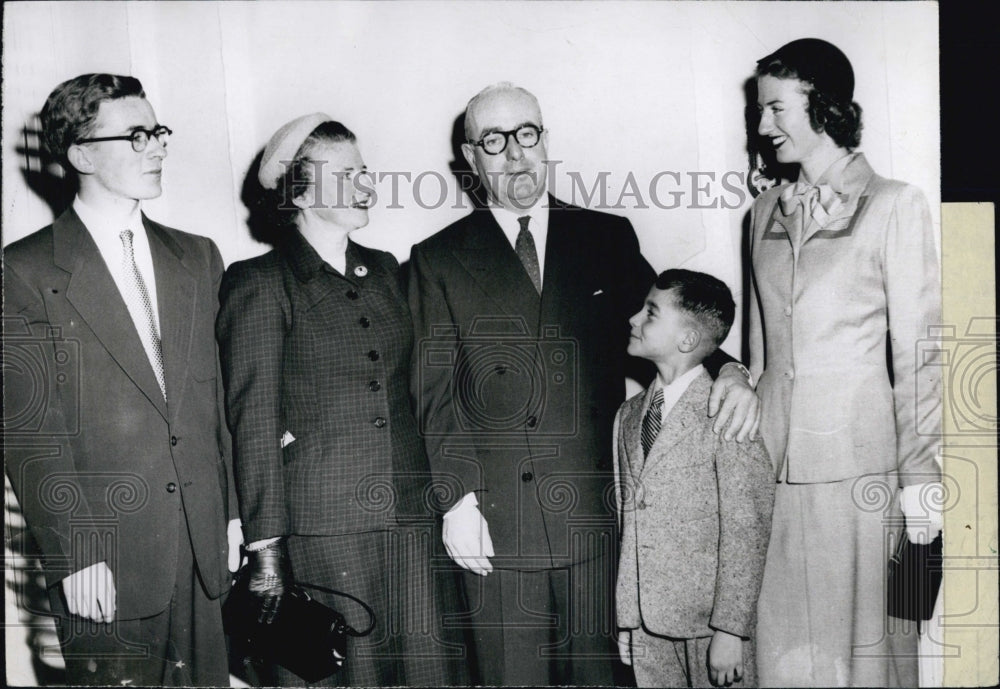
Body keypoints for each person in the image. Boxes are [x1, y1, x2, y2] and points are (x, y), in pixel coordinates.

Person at [408, 82, 761, 685]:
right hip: (496, 523)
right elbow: (435, 392)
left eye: (528, 134)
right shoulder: (436, 257)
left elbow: (676, 329)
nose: (516, 152)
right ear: (471, 159)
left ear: (545, 141)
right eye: (494, 140)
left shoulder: (605, 236)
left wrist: (730, 368)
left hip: (596, 520)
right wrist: (458, 500)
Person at [3, 73, 239, 686]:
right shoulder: (24, 268)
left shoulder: (199, 255)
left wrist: (235, 516)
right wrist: (75, 554)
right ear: (81, 154)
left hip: (205, 546)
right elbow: (32, 433)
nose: (157, 146)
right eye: (136, 135)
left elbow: (216, 402)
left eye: (157, 131)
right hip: (104, 559)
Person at [216, 113, 466, 686]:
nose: (366, 185)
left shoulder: (384, 270)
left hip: (410, 520)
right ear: (298, 190)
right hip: (325, 531)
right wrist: (267, 551)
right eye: (346, 174)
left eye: (364, 171)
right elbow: (252, 423)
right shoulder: (259, 282)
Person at [748, 39, 943, 686]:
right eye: (760, 110)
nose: (762, 126)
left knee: (867, 659)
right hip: (772, 471)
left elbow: (921, 353)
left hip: (863, 473)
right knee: (781, 656)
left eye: (777, 108)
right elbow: (758, 354)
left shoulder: (894, 204)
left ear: (823, 106)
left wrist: (922, 476)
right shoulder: (759, 214)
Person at [613, 269, 774, 688]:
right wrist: (628, 619)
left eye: (649, 313)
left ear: (686, 340)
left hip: (710, 630)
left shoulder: (727, 409)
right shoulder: (628, 417)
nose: (633, 319)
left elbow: (747, 529)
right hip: (648, 630)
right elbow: (628, 526)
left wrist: (731, 630)